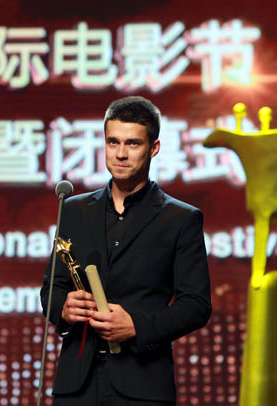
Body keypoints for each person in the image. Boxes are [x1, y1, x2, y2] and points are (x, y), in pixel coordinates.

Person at [41, 96, 211, 405]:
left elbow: (196, 305)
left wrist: (137, 326)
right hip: (76, 384)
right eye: (112, 142)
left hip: (142, 385)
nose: (120, 154)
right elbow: (51, 287)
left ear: (154, 148)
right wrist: (63, 308)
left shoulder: (181, 219)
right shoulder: (73, 210)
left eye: (133, 144)